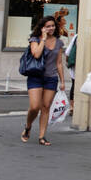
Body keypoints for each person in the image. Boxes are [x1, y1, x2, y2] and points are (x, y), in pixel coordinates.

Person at [23, 15, 67, 146]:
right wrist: (43, 38)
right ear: (42, 28)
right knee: (35, 106)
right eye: (48, 26)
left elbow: (59, 63)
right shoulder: (35, 39)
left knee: (46, 107)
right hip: (36, 76)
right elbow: (36, 54)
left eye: (53, 25)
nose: (51, 28)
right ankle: (28, 125)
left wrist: (62, 81)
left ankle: (42, 136)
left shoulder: (59, 42)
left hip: (51, 78)